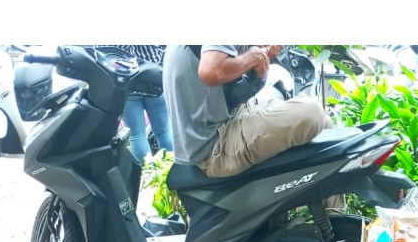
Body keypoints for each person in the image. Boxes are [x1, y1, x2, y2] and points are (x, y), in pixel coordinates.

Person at [162, 44, 330, 178]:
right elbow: (211, 70)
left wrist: (260, 56)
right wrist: (253, 57)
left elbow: (237, 89)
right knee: (312, 113)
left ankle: (334, 217)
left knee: (326, 125)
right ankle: (325, 215)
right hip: (213, 146)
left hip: (222, 122)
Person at [115, 44, 173, 162]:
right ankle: (172, 171)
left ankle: (151, 177)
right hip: (154, 78)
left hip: (128, 82)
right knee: (164, 131)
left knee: (137, 135)